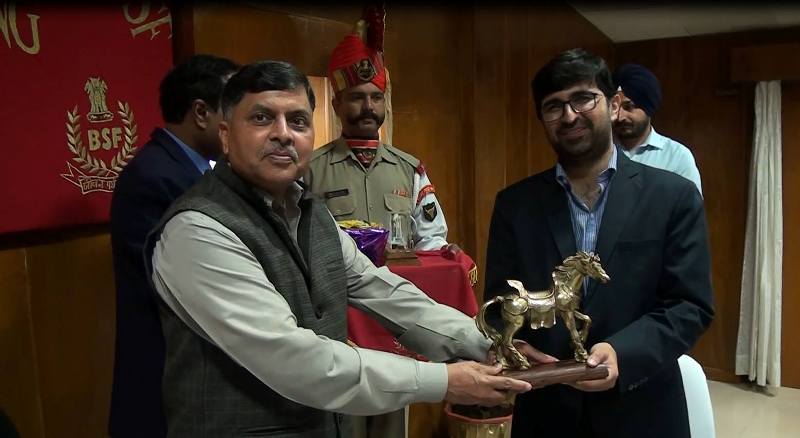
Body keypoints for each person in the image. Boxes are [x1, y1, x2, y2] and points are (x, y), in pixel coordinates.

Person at [144, 60, 538, 438]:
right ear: (227, 136)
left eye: (297, 121)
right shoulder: (197, 230)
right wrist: (443, 381)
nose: (283, 133)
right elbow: (295, 361)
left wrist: (492, 343)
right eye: (262, 118)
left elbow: (384, 291)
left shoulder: (314, 215)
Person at [484, 48, 714, 438]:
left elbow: (689, 305)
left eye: (582, 98)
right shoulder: (515, 204)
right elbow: (499, 303)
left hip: (644, 409)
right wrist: (512, 346)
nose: (569, 115)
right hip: (547, 412)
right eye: (553, 106)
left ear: (613, 104)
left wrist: (623, 353)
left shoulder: (673, 196)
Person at [108, 54, 238, 438]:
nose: (241, 125)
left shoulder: (195, 171)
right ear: (201, 113)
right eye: (232, 110)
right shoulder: (151, 178)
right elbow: (178, 282)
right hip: (164, 372)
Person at [306, 32, 458, 253]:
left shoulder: (410, 170)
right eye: (357, 97)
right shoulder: (310, 170)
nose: (368, 107)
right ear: (336, 105)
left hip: (399, 285)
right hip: (337, 286)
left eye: (376, 98)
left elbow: (430, 239)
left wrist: (443, 251)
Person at [612, 63, 703, 194]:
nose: (620, 116)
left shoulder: (676, 156)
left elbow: (691, 210)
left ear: (649, 107)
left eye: (629, 107)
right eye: (614, 107)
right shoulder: (600, 152)